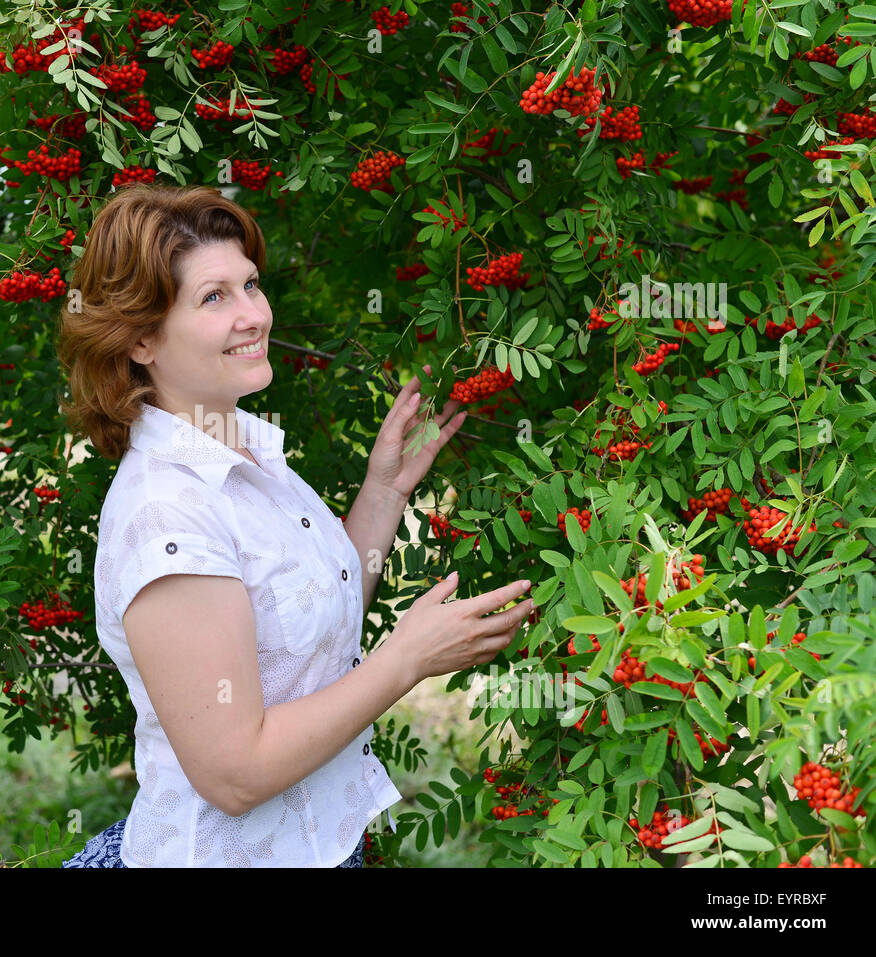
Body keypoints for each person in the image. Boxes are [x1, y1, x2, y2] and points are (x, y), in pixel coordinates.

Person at [56, 184, 535, 867]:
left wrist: (383, 491)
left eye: (250, 284)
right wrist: (406, 660)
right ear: (141, 339)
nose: (254, 314)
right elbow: (234, 773)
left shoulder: (248, 450)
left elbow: (307, 633)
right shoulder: (167, 513)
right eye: (214, 297)